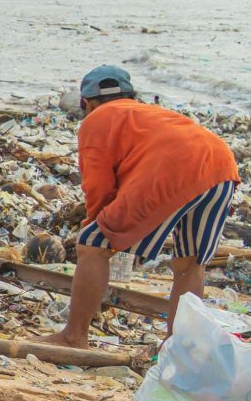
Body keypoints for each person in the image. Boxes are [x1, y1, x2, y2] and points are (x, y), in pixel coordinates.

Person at [41, 65, 239, 348]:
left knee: (91, 245)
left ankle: (74, 337)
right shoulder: (151, 114)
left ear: (87, 103)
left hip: (174, 168)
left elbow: (98, 187)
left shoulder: (96, 121)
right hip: (221, 165)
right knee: (190, 263)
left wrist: (98, 231)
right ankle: (176, 349)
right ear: (131, 95)